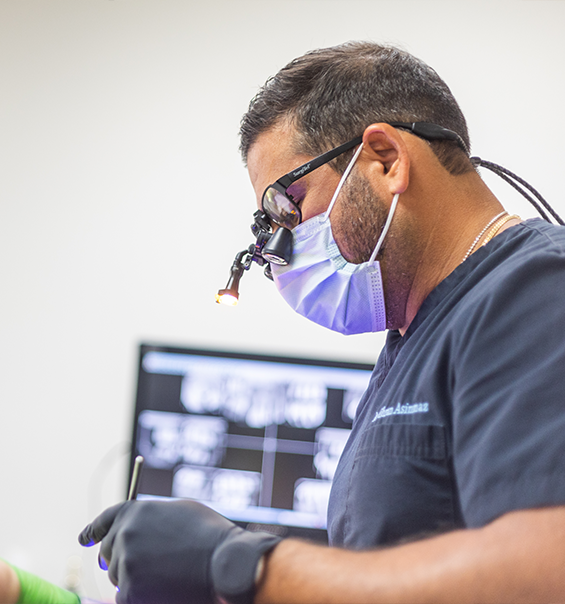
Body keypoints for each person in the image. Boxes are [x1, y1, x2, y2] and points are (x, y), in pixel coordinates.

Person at [79, 42, 565, 603]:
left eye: (289, 205)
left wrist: (239, 565)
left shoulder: (536, 290)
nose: (279, 249)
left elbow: (545, 572)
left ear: (385, 160)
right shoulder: (411, 339)